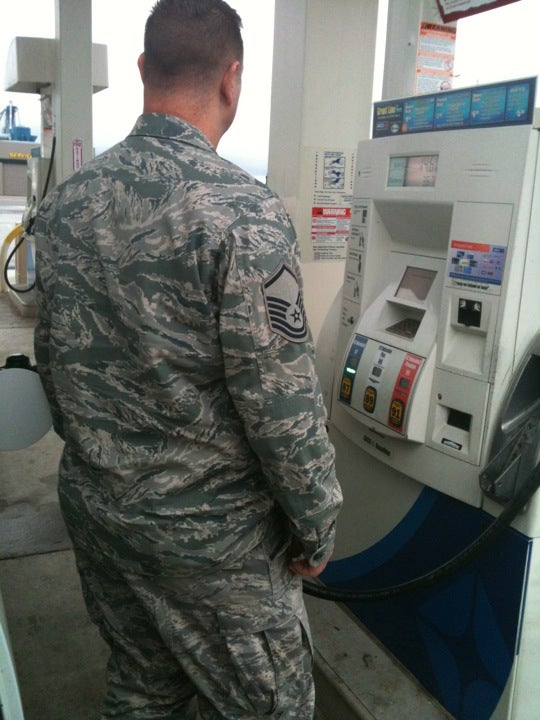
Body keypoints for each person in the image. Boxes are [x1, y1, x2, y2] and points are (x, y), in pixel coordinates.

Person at [33, 1, 342, 718]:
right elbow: (282, 405)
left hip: (104, 519)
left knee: (144, 688)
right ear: (233, 79)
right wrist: (316, 522)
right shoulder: (244, 213)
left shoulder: (68, 204)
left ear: (144, 69)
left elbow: (53, 363)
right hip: (215, 547)